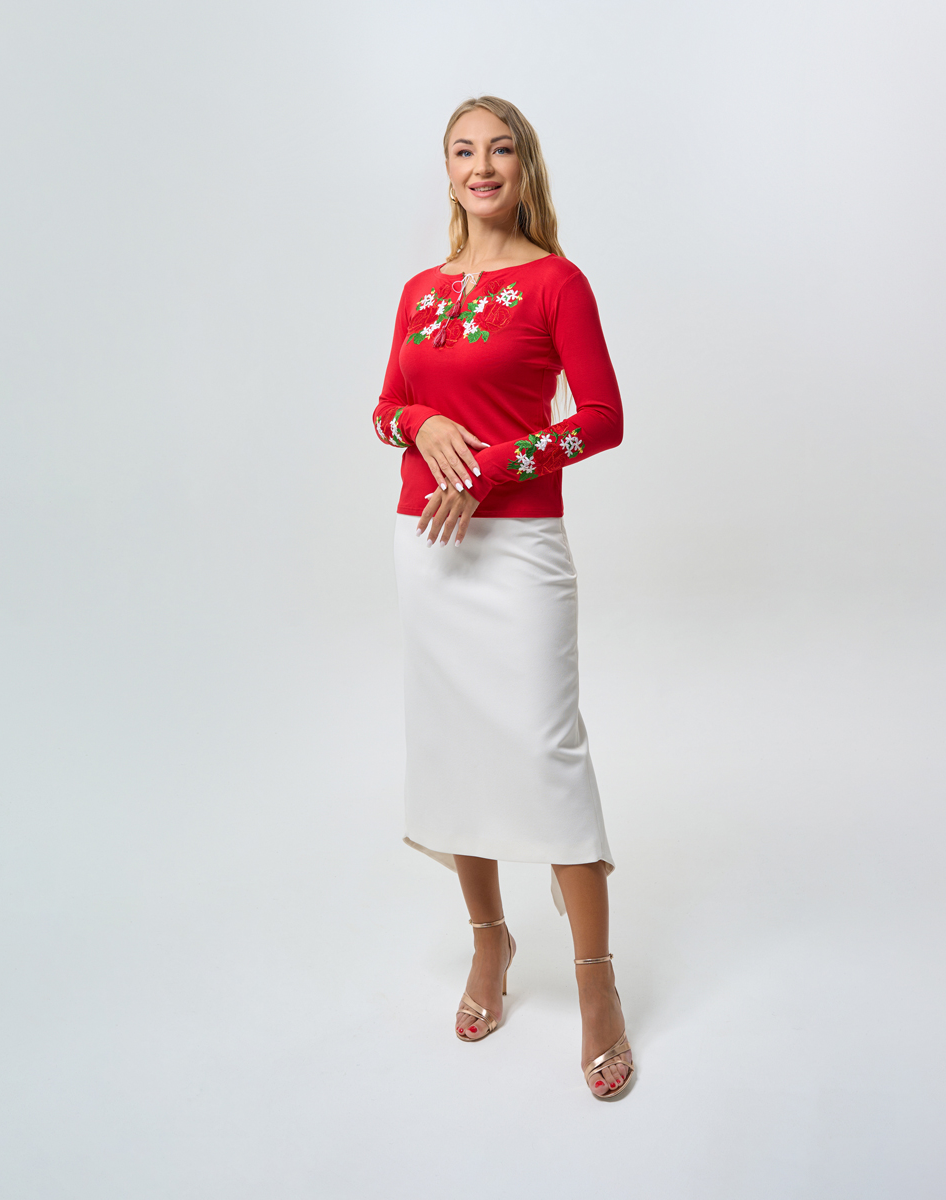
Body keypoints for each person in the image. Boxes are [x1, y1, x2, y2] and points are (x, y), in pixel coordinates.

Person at [372, 96, 633, 1100]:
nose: (482, 166)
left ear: (524, 167)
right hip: (427, 547)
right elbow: (384, 408)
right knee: (452, 745)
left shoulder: (557, 283)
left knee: (546, 750)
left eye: (500, 149)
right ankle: (490, 941)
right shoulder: (420, 290)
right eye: (463, 151)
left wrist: (488, 464)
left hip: (517, 546)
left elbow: (601, 417)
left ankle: (597, 981)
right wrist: (420, 423)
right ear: (447, 170)